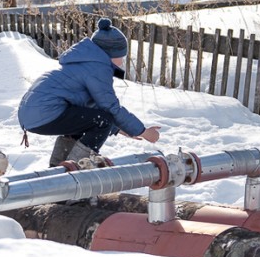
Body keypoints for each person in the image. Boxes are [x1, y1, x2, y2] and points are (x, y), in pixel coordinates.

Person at [18, 17, 160, 168]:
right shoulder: (98, 68)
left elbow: (88, 108)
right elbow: (110, 107)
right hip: (45, 112)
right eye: (121, 56)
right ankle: (76, 169)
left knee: (86, 123)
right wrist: (143, 131)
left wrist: (119, 129)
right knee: (102, 121)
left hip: (30, 114)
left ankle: (58, 167)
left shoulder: (84, 63)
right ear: (111, 54)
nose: (123, 61)